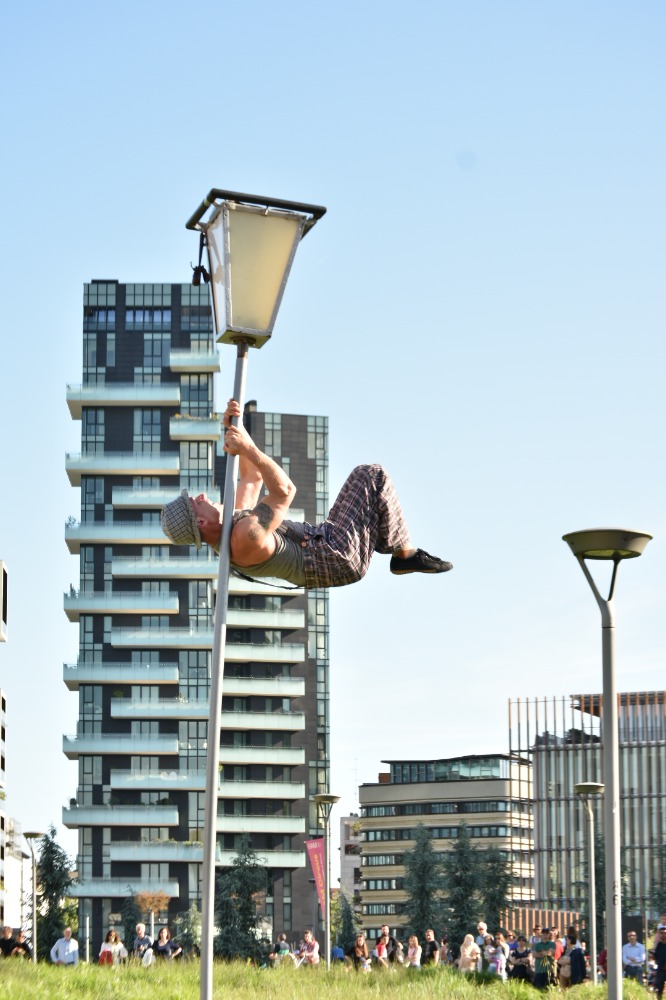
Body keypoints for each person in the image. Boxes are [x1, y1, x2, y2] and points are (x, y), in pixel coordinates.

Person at [161, 400, 453, 590]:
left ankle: (401, 552)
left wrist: (234, 427)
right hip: (334, 555)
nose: (201, 496)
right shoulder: (242, 537)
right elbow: (285, 491)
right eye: (194, 503)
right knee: (370, 474)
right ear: (199, 522)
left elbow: (253, 477)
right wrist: (247, 449)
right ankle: (403, 555)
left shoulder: (232, 525)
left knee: (371, 487)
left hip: (326, 541)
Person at [653, 927, 666, 998]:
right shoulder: (658, 945)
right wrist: (655, 944)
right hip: (660, 970)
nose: (663, 934)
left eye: (665, 933)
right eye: (661, 933)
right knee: (659, 989)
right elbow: (653, 957)